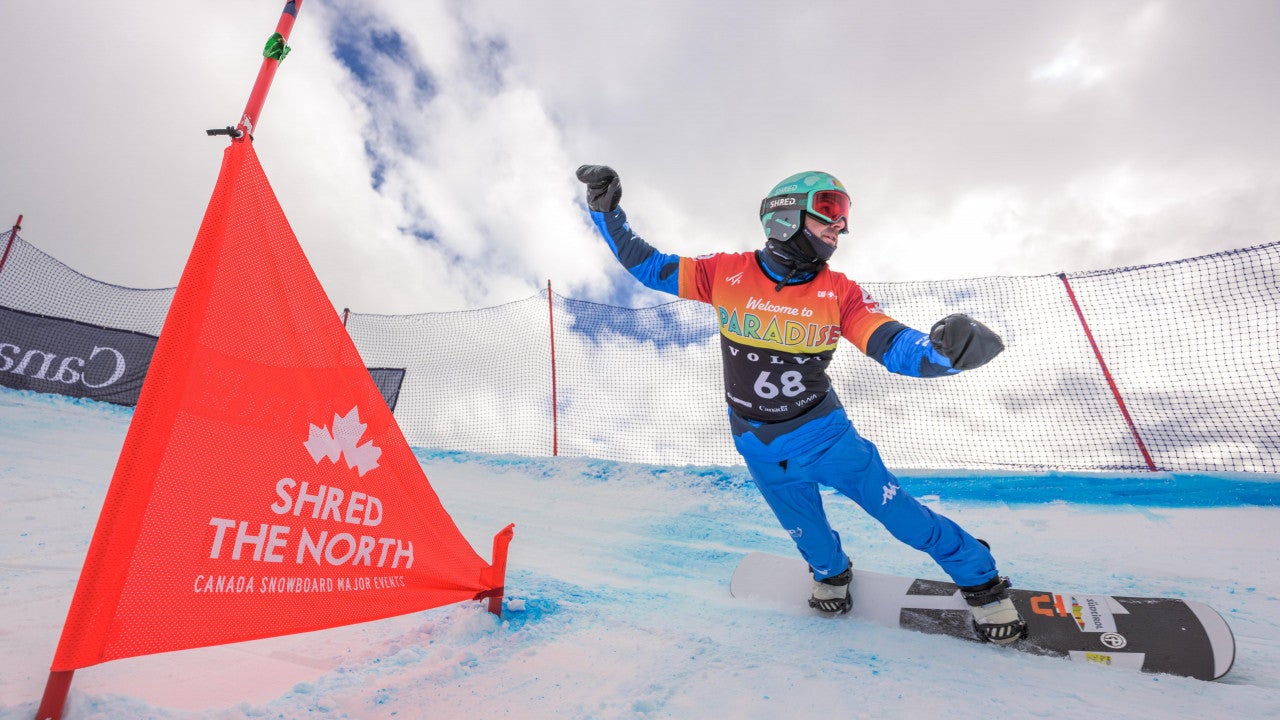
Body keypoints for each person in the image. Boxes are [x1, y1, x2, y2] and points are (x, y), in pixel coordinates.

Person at [576, 165, 1027, 645]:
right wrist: (607, 210)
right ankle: (831, 574)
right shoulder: (724, 271)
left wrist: (941, 355)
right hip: (757, 442)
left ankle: (981, 580)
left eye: (844, 215)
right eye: (830, 211)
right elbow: (648, 266)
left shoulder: (840, 291)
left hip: (826, 437)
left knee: (903, 518)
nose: (841, 227)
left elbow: (892, 344)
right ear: (785, 216)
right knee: (806, 532)